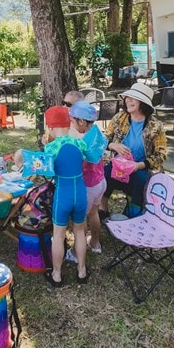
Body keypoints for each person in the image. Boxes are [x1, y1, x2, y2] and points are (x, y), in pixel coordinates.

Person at [39, 105, 104, 287]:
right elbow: (90, 157)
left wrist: (46, 145)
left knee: (58, 235)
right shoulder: (80, 143)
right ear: (69, 122)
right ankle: (82, 271)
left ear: (50, 127)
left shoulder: (51, 148)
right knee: (80, 232)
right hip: (81, 193)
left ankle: (57, 274)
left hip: (63, 194)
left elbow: (49, 173)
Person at [100, 81, 168, 217]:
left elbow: (161, 155)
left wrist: (138, 165)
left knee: (140, 180)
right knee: (103, 175)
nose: (128, 100)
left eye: (133, 98)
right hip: (118, 164)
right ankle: (103, 210)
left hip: (141, 167)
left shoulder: (155, 125)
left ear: (143, 103)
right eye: (127, 97)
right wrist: (113, 145)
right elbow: (102, 139)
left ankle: (134, 212)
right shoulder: (119, 118)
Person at [66, 100, 106, 260]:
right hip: (100, 182)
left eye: (72, 121)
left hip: (87, 186)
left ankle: (76, 252)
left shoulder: (79, 141)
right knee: (94, 213)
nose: (71, 124)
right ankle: (95, 243)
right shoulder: (97, 132)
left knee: (79, 222)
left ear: (81, 121)